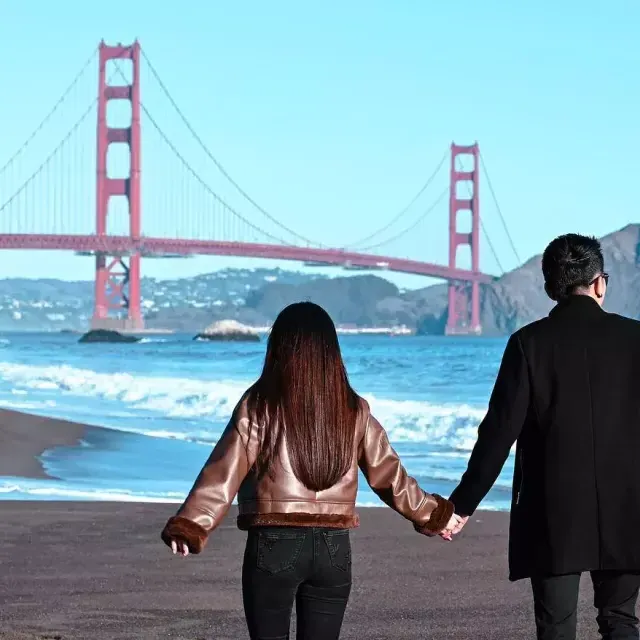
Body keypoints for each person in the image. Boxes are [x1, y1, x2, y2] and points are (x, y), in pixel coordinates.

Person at [161, 301, 457, 640]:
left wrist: (191, 525)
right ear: (332, 353)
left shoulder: (258, 405)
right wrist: (435, 515)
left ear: (279, 349)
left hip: (274, 545)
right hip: (333, 551)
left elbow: (222, 473)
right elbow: (389, 475)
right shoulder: (353, 409)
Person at [445, 233, 640, 639]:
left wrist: (462, 505)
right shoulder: (635, 339)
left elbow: (498, 434)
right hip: (629, 505)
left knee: (555, 627)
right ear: (600, 282)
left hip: (554, 512)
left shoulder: (527, 344)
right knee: (621, 621)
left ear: (551, 287)